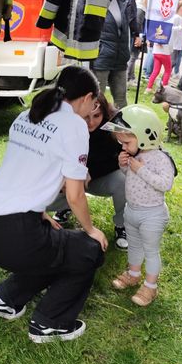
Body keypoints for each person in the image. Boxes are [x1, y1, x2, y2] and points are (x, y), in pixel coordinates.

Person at [0, 66, 107, 343]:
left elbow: (23, 171)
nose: (92, 111)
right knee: (88, 250)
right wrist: (91, 230)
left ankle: (4, 298)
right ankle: (50, 323)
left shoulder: (26, 115)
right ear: (86, 98)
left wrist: (40, 211)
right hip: (17, 235)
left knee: (57, 243)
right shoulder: (74, 126)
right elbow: (75, 196)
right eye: (94, 104)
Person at [102, 105, 176, 307]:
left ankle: (151, 286)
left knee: (151, 250)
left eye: (126, 142)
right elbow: (131, 178)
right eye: (120, 142)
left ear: (145, 136)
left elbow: (165, 184)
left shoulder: (160, 158)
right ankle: (134, 274)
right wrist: (124, 166)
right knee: (134, 246)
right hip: (131, 211)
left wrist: (140, 169)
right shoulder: (134, 155)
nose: (123, 146)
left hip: (152, 214)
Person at [49, 94, 128, 250]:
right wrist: (68, 177)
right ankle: (63, 208)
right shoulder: (66, 126)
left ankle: (122, 225)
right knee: (45, 194)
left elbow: (127, 154)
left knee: (124, 179)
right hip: (72, 179)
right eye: (86, 117)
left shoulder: (115, 125)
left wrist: (91, 172)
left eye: (97, 115)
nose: (91, 122)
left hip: (100, 178)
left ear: (105, 112)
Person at [92, 0, 138, 109]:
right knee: (97, 99)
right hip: (102, 57)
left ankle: (120, 128)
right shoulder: (95, 0)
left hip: (120, 57)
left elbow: (129, 25)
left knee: (121, 100)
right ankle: (94, 128)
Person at [170, 1, 182, 78]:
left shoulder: (180, 17)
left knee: (175, 59)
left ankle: (169, 74)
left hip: (179, 43)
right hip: (175, 43)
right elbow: (171, 28)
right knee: (173, 61)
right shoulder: (176, 17)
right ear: (181, 8)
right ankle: (167, 75)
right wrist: (180, 28)